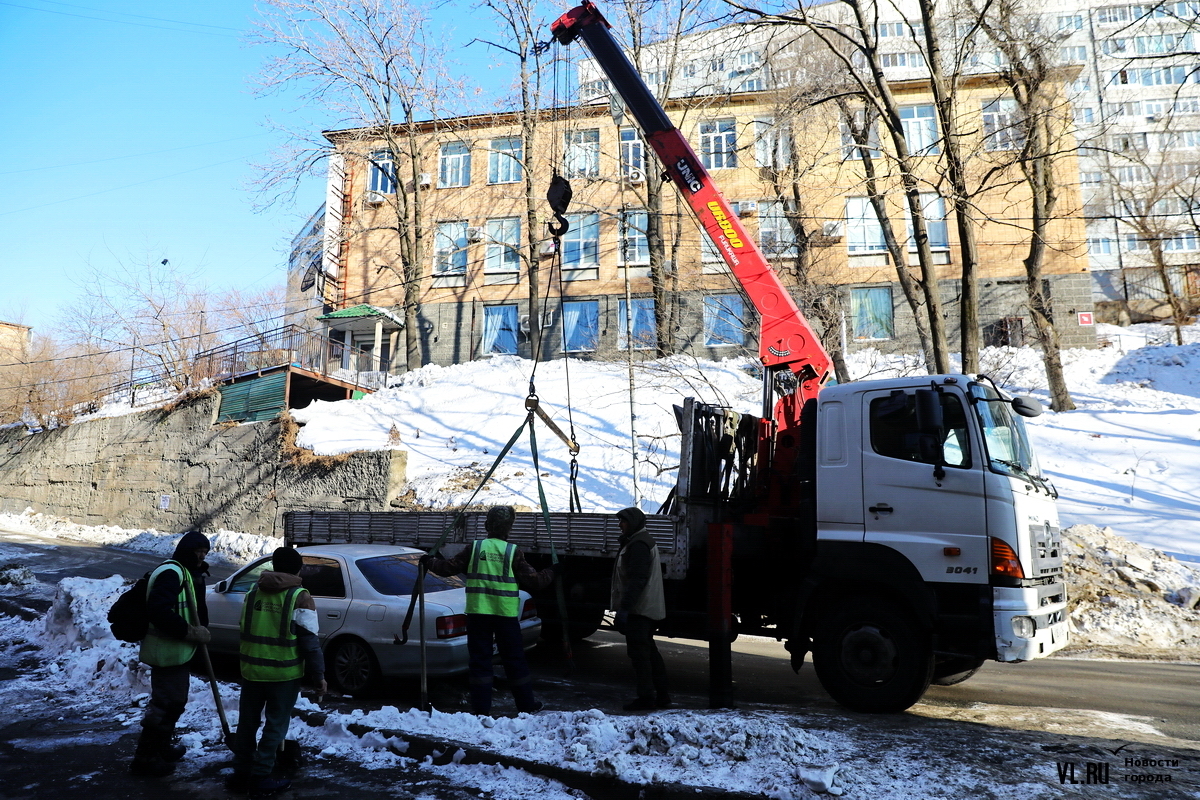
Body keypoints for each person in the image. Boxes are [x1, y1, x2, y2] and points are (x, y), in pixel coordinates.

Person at [422, 506, 557, 716]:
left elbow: (446, 568)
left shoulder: (474, 548)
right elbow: (536, 581)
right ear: (509, 528)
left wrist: (428, 561)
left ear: (487, 525)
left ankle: (481, 710)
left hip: (478, 615)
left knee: (480, 661)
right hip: (505, 616)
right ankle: (526, 705)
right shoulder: (513, 552)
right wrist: (553, 570)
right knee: (514, 660)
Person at [227, 547, 326, 797]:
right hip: (283, 674)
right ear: (298, 569)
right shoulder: (299, 596)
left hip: (251, 671)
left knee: (247, 724)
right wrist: (319, 676)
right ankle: (261, 776)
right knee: (275, 726)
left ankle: (240, 773)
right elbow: (309, 642)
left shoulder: (252, 591)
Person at [130, 529, 212, 777]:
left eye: (205, 552)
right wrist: (189, 632)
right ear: (186, 551)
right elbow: (159, 610)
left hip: (178, 651)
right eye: (197, 551)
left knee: (175, 702)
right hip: (166, 650)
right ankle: (145, 757)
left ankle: (161, 748)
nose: (201, 557)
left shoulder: (185, 572)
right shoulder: (171, 573)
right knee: (164, 704)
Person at [611, 506, 671, 711]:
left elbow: (637, 580)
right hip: (644, 608)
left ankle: (647, 697)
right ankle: (662, 695)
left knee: (640, 655)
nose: (620, 525)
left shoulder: (638, 545)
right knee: (649, 653)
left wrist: (625, 609)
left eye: (624, 521)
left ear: (634, 523)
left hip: (640, 610)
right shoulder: (639, 540)